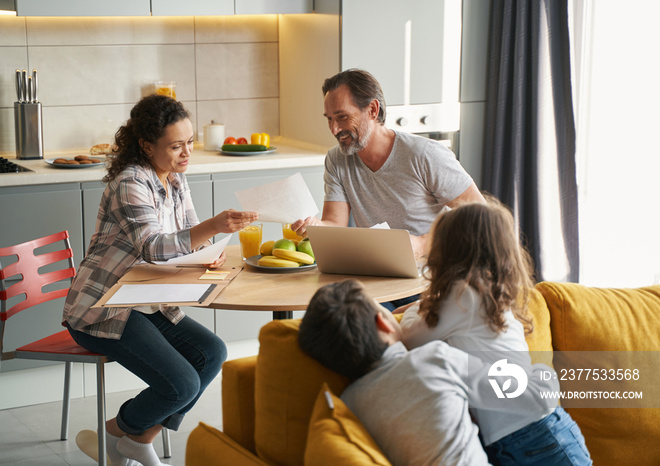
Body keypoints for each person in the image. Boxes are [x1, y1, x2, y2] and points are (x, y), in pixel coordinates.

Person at [62, 94, 258, 466]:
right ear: (147, 146)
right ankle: (117, 432)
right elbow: (153, 246)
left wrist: (210, 248)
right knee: (181, 384)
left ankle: (136, 438)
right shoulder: (129, 183)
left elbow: (187, 235)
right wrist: (213, 226)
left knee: (212, 353)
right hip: (105, 306)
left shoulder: (174, 178)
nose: (186, 153)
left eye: (189, 143)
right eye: (175, 146)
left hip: (148, 298)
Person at [399, 199, 592, 465]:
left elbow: (409, 337)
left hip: (532, 436)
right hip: (530, 433)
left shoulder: (464, 296)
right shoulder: (490, 294)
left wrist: (417, 306)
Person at [298, 279, 561, 466]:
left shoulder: (350, 403)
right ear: (383, 322)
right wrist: (543, 370)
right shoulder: (435, 359)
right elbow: (536, 396)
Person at [291, 68, 486, 262]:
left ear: (373, 110)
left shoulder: (424, 154)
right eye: (329, 119)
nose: (334, 129)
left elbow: (481, 217)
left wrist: (424, 244)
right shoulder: (337, 160)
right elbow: (335, 225)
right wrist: (316, 227)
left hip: (432, 272)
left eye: (342, 117)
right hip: (378, 268)